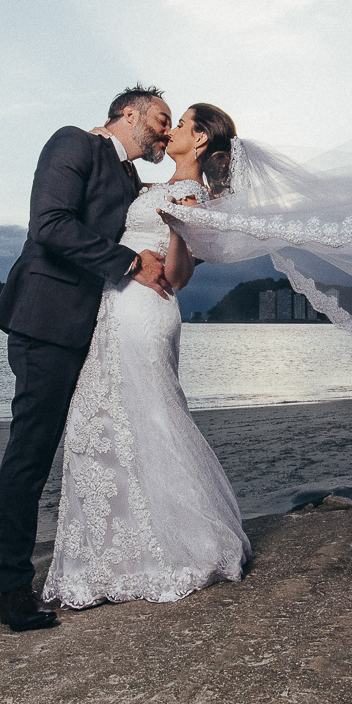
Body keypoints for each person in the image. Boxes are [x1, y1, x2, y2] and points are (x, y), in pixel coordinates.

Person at [42, 104, 251, 609]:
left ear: (200, 140)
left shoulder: (192, 195)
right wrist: (101, 139)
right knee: (101, 421)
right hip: (111, 305)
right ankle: (107, 553)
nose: (170, 128)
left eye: (180, 123)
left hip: (146, 310)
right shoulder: (146, 184)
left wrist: (179, 228)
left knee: (150, 417)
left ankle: (175, 545)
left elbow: (178, 278)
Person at [0, 85, 173, 632]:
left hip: (97, 330)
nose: (167, 130)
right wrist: (129, 262)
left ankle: (104, 562)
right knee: (33, 449)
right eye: (161, 119)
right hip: (46, 320)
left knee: (100, 446)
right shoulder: (73, 142)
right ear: (128, 113)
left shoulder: (129, 178)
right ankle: (13, 589)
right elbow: (49, 224)